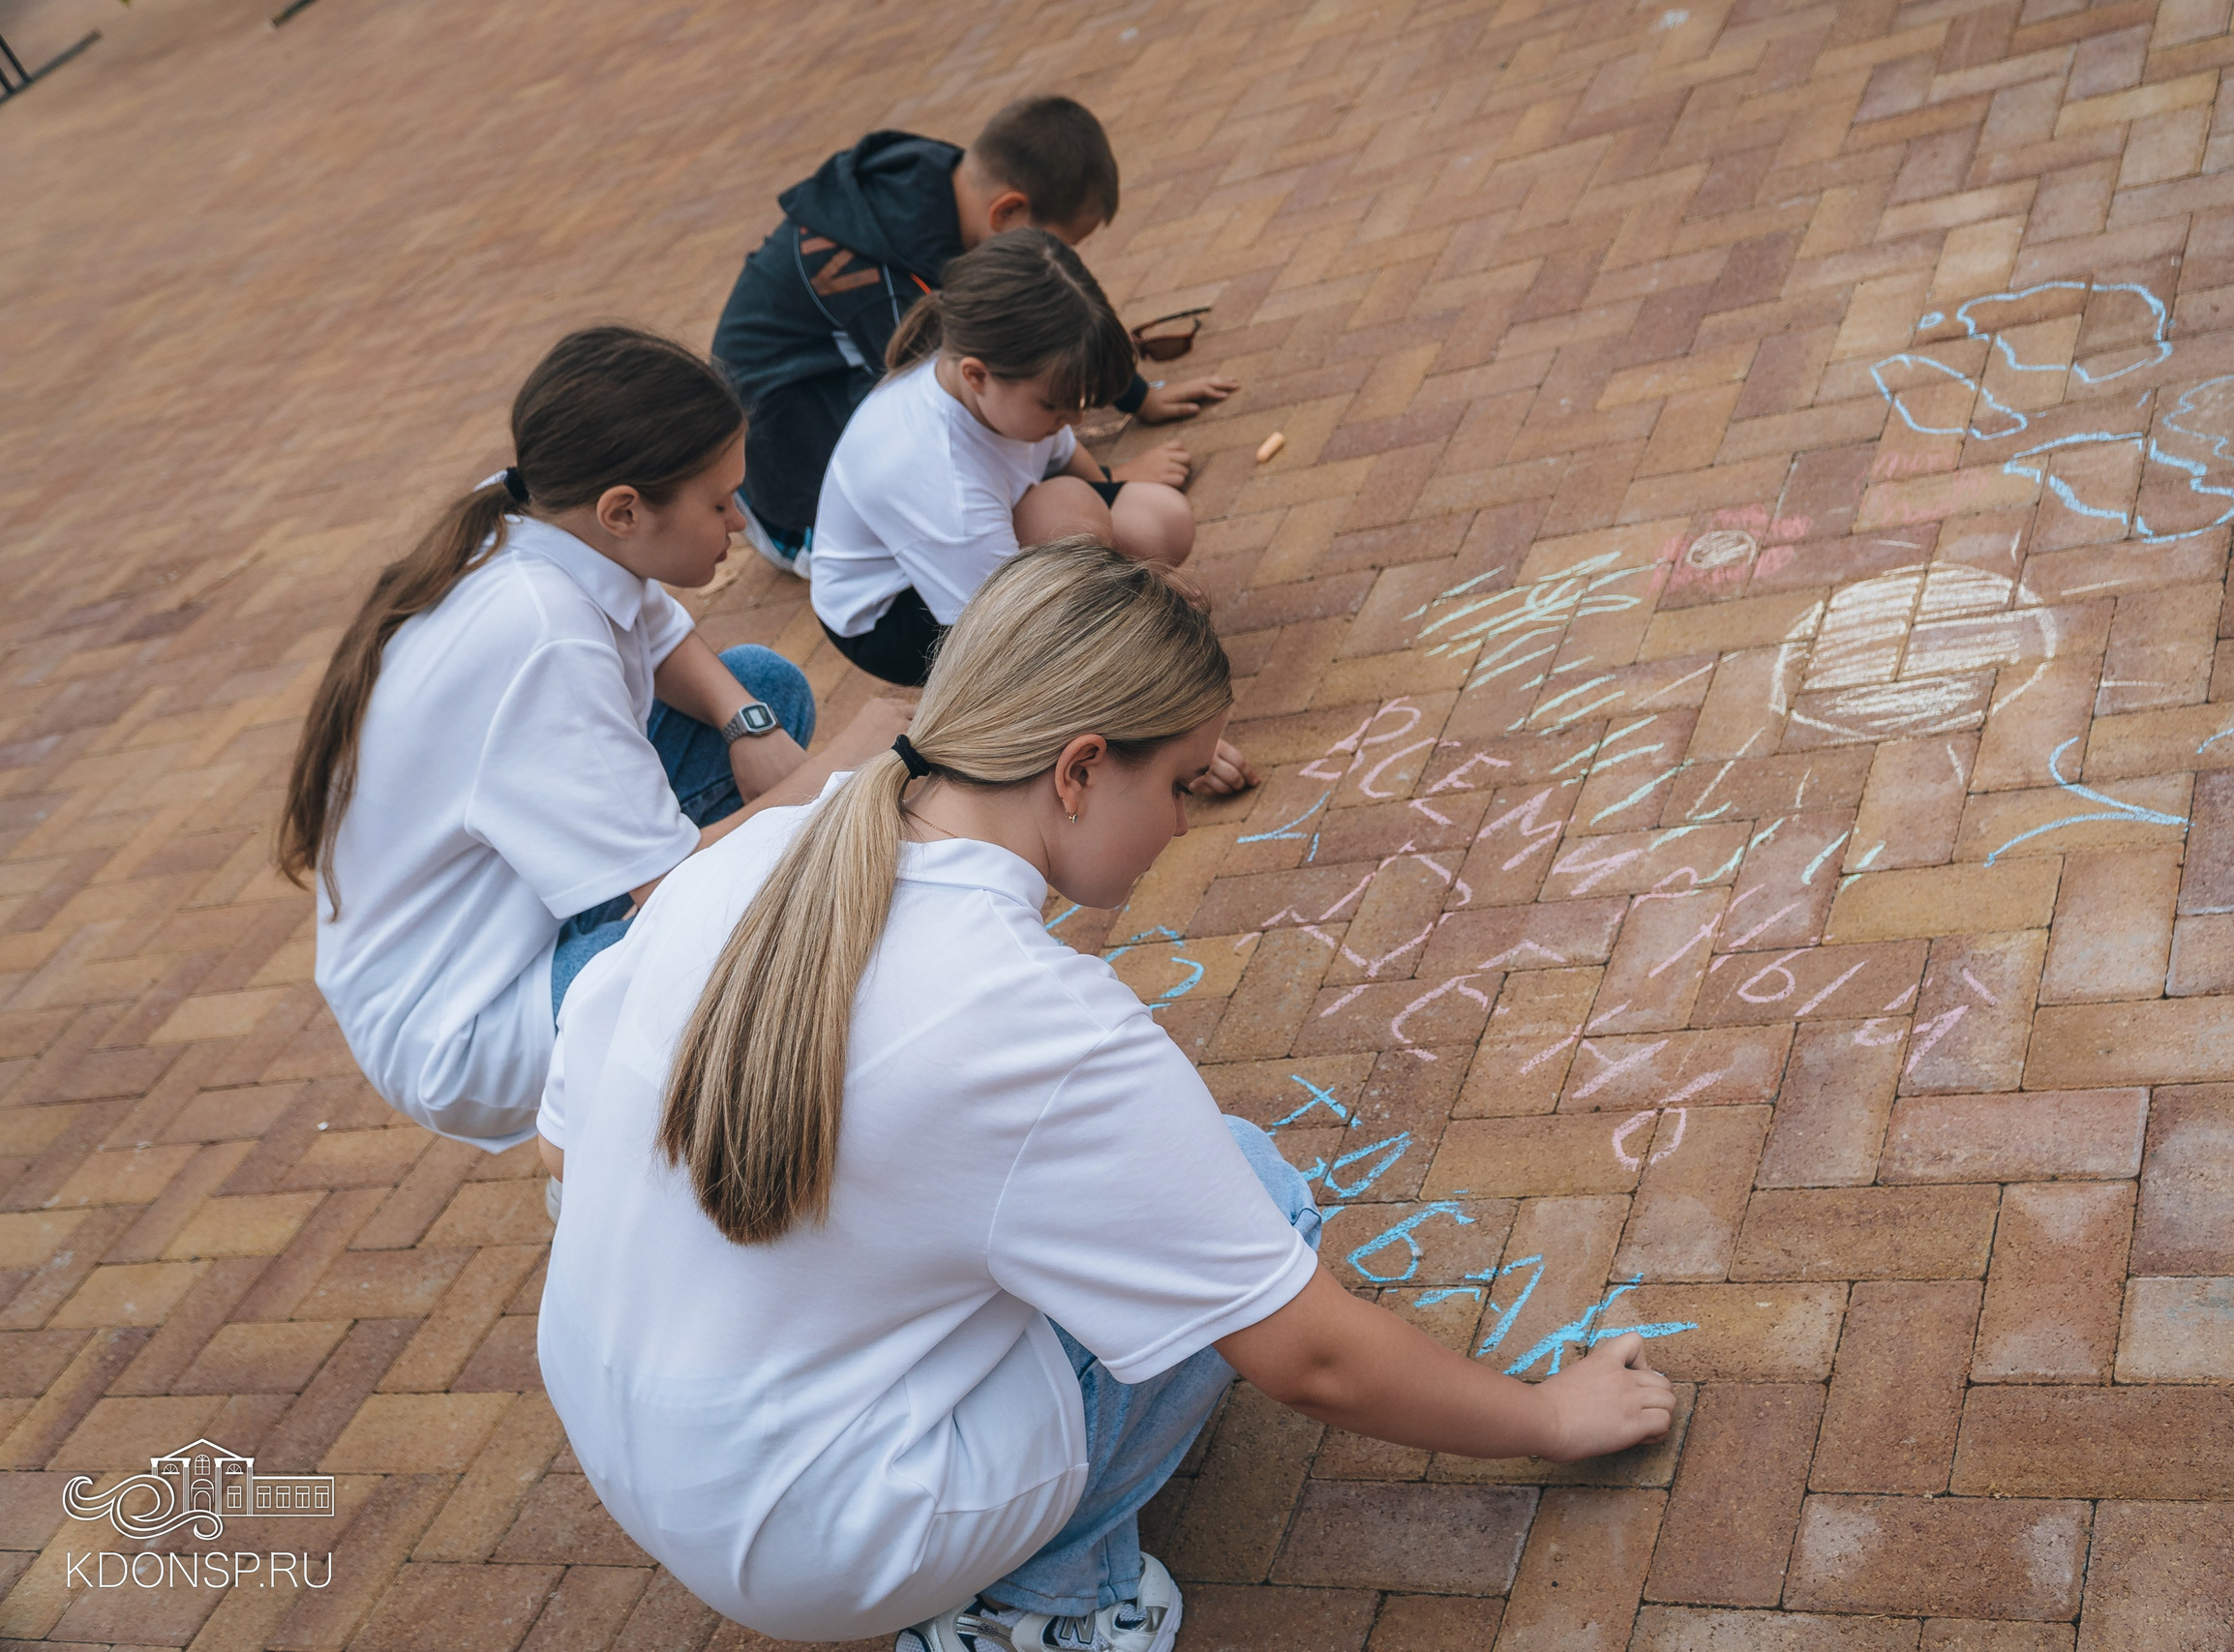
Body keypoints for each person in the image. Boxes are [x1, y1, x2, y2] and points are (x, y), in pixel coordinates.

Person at [533, 541, 1675, 1650]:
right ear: (1078, 770)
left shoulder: (750, 858)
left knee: (1062, 1213)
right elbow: (1312, 1358)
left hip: (629, 1437)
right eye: (1175, 782)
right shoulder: (1036, 1019)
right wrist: (1549, 1419)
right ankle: (1043, 1608)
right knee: (1257, 1191)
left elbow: (561, 1158)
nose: (1181, 820)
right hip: (822, 1542)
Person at [277, 325, 904, 1152]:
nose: (741, 521)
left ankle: (649, 1070)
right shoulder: (546, 636)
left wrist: (749, 724)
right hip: (465, 1022)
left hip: (501, 919)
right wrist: (844, 768)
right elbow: (674, 886)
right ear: (624, 511)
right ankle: (614, 1152)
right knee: (759, 919)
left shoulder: (532, 513)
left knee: (763, 686)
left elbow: (662, 635)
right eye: (719, 502)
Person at [710, 95, 1236, 577]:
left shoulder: (947, 182)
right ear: (1007, 211)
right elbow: (973, 395)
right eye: (1057, 243)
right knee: (1007, 449)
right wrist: (1107, 478)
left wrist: (1139, 397)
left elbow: (1048, 323)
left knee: (1017, 412)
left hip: (828, 398)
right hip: (794, 499)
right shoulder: (881, 284)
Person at [809, 229, 1200, 683]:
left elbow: (1069, 460)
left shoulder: (1004, 384)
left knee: (1162, 518)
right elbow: (996, 629)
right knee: (1070, 513)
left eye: (1080, 403)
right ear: (977, 376)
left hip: (967, 555)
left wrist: (1139, 580)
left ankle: (1096, 612)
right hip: (897, 616)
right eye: (1056, 406)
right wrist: (1136, 622)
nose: (1073, 419)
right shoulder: (938, 476)